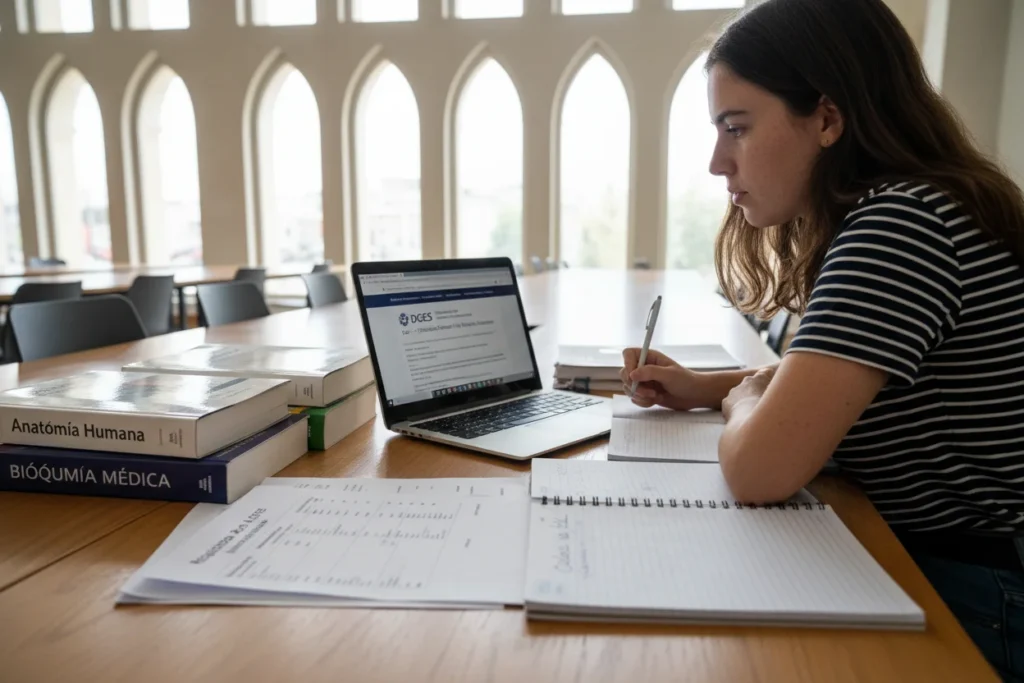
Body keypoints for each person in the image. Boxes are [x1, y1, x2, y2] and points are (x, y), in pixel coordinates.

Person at [619, 0, 1024, 678]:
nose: (719, 161)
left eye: (737, 128)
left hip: (979, 593)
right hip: (961, 563)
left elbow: (758, 471)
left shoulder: (901, 227)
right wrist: (708, 387)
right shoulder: (917, 204)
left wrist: (740, 403)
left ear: (828, 118)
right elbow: (843, 380)